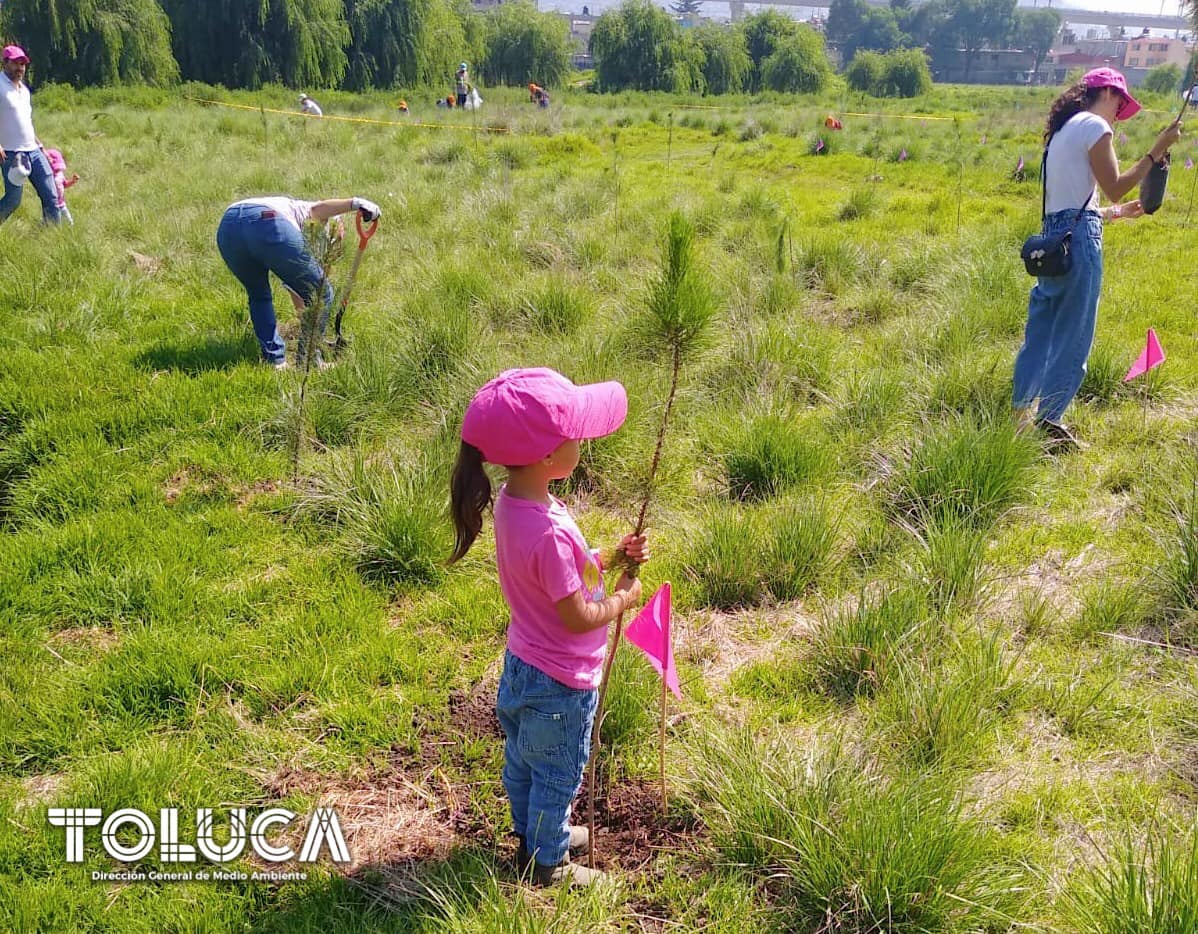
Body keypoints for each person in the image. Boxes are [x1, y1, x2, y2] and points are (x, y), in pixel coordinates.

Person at [449, 367, 649, 888]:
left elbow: (559, 576)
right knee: (558, 774)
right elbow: (577, 614)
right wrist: (624, 597)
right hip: (560, 684)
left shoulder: (518, 505)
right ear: (547, 456)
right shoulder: (548, 531)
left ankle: (533, 829)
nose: (582, 439)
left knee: (523, 763)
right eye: (574, 432)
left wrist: (606, 559)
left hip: (522, 667)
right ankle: (548, 862)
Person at [1012, 67, 1181, 450]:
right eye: (1121, 102)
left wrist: (1116, 215)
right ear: (1107, 92)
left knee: (1041, 333)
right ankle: (1051, 423)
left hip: (1053, 242)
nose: (1120, 112)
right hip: (1079, 243)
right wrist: (1157, 149)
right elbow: (1116, 187)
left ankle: (1019, 416)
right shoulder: (1094, 126)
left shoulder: (1062, 132)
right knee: (1074, 335)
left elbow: (1069, 208)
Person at [216, 195, 380, 369]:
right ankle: (309, 362)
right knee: (321, 292)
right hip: (267, 221)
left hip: (228, 226)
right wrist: (356, 203)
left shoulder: (293, 222)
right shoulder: (309, 214)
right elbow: (318, 209)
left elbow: (298, 291)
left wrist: (311, 325)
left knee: (258, 295)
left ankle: (275, 362)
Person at [0, 45, 60, 225]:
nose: (20, 68)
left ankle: (53, 238)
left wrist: (41, 147)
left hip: (33, 150)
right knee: (13, 200)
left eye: (23, 64)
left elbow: (26, 123)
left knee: (51, 194)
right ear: (5, 63)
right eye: (16, 63)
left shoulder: (24, 91)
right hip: (11, 154)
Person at [44, 148, 78, 225]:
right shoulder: (48, 177)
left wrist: (72, 181)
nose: (57, 170)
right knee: (51, 221)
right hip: (52, 204)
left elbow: (65, 184)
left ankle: (70, 228)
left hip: (62, 203)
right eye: (55, 168)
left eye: (59, 168)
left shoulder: (60, 175)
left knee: (68, 219)